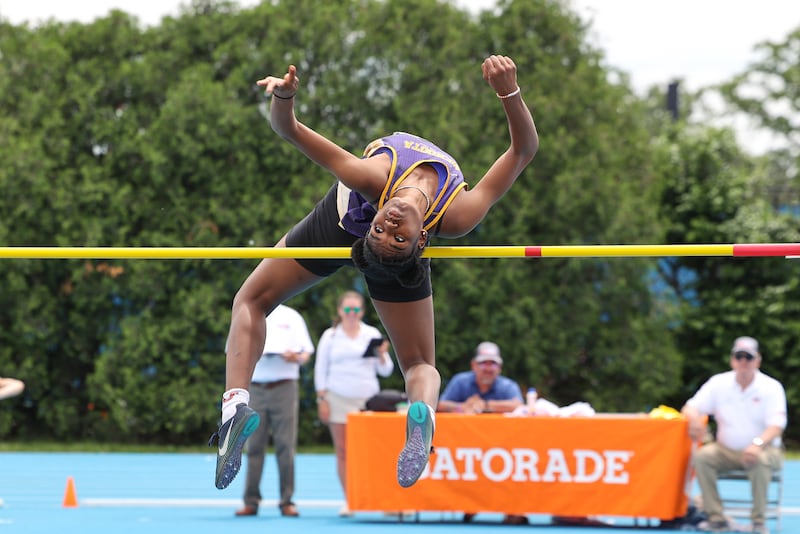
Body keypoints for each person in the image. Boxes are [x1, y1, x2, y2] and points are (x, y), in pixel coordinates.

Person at [208, 54, 539, 491]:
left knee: (251, 300)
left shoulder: (370, 179)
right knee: (419, 361)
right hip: (345, 231)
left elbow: (287, 128)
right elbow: (524, 150)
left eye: (386, 229)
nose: (392, 222)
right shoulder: (455, 216)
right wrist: (509, 93)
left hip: (340, 228)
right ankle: (423, 414)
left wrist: (285, 100)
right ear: (421, 242)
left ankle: (234, 405)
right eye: (393, 232)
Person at [681, 336, 786, 534]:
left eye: (748, 357)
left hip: (764, 449)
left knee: (760, 460)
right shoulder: (719, 383)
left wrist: (757, 444)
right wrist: (694, 419)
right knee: (703, 457)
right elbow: (691, 406)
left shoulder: (771, 387)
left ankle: (758, 521)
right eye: (739, 357)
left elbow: (776, 426)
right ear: (732, 360)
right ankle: (716, 518)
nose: (744, 361)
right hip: (725, 450)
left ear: (758, 360)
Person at [314, 290, 394, 516]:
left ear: (362, 311)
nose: (351, 314)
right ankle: (350, 499)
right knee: (343, 451)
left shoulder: (371, 334)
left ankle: (381, 500)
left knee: (374, 451)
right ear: (340, 311)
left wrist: (382, 355)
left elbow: (386, 371)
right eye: (347, 309)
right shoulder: (330, 336)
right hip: (338, 397)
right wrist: (322, 399)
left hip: (368, 400)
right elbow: (321, 369)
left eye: (356, 309)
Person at [233, 304, 315, 518]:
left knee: (286, 446)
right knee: (253, 446)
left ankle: (287, 500)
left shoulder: (292, 316)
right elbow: (234, 352)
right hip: (255, 387)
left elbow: (306, 352)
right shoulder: (247, 316)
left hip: (284, 386)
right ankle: (251, 500)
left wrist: (295, 357)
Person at [438, 341, 526, 525]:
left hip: (502, 446)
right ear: (473, 365)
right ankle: (469, 503)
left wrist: (485, 406)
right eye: (483, 363)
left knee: (513, 461)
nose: (488, 368)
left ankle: (511, 508)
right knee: (466, 460)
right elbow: (440, 404)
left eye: (492, 363)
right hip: (466, 446)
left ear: (499, 368)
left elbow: (518, 405)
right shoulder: (461, 381)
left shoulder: (507, 385)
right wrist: (464, 406)